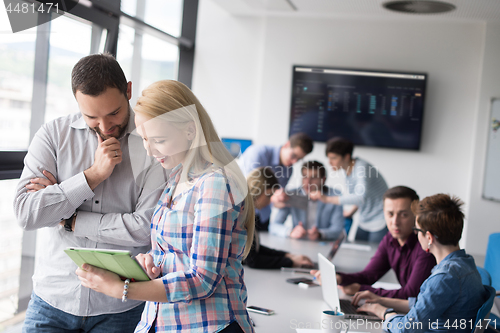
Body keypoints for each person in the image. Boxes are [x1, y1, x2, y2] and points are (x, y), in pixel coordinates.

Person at [75, 80, 256, 332]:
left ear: (190, 131)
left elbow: (203, 280)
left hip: (208, 325)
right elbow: (176, 253)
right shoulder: (177, 177)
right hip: (164, 321)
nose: (149, 151)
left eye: (158, 139)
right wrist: (152, 261)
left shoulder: (216, 183)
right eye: (145, 139)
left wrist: (121, 289)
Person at [14, 54, 166, 332]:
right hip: (52, 301)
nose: (105, 127)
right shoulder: (53, 136)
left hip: (120, 307)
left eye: (114, 113)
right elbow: (27, 214)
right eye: (92, 117)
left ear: (128, 91)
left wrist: (69, 218)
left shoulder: (154, 144)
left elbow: (145, 229)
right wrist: (92, 175)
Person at [354, 194, 492, 332]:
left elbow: (407, 329)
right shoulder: (466, 264)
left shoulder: (444, 277)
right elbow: (426, 304)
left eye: (417, 230)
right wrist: (382, 300)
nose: (416, 234)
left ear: (429, 237)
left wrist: (386, 314)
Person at [312, 186, 436, 300]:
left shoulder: (425, 245)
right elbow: (369, 275)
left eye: (403, 215)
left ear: (415, 215)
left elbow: (410, 295)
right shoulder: (389, 239)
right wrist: (340, 278)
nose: (395, 222)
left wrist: (360, 289)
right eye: (390, 214)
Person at [310, 137, 388, 243]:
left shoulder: (361, 169)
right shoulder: (347, 169)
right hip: (364, 219)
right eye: (329, 158)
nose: (330, 162)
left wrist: (327, 199)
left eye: (334, 158)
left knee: (374, 256)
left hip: (379, 220)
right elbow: (363, 194)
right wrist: (352, 211)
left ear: (346, 157)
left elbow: (360, 197)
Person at [237, 132, 314, 230]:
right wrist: (273, 198)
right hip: (243, 213)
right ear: (287, 145)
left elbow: (275, 196)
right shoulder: (258, 153)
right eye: (294, 155)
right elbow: (252, 189)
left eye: (299, 159)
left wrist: (280, 200)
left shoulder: (289, 170)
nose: (294, 162)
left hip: (263, 216)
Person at [244, 167, 314, 269]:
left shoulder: (249, 213)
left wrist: (288, 255)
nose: (270, 201)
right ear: (257, 190)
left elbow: (255, 249)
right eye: (269, 195)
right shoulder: (242, 216)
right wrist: (291, 262)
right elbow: (253, 260)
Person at [270, 161, 345, 241]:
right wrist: (290, 232)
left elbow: (338, 229)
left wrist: (320, 234)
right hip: (298, 243)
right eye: (305, 176)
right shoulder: (292, 195)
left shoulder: (334, 196)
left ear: (323, 179)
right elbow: (274, 226)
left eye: (313, 178)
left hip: (322, 244)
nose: (308, 182)